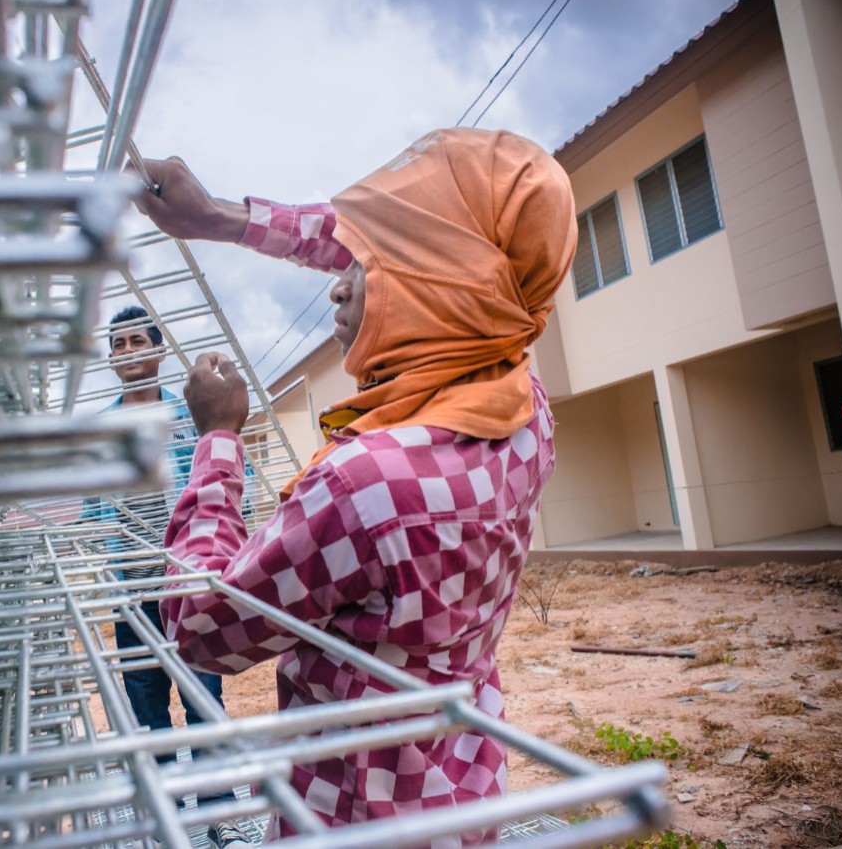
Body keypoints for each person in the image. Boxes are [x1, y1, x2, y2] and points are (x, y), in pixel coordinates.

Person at [136, 128, 577, 843]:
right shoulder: (526, 411)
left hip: (347, 817)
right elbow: (386, 244)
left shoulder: (364, 487)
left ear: (442, 283)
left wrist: (217, 440)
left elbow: (199, 628)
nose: (338, 282)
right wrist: (219, 216)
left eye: (375, 263)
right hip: (463, 796)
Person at [83, 306, 249, 848]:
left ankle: (220, 816)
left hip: (186, 586)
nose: (128, 351)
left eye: (138, 341)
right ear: (111, 359)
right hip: (130, 593)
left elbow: (228, 474)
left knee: (203, 699)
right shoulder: (102, 431)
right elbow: (90, 509)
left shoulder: (190, 416)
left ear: (158, 349)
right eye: (119, 344)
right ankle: (166, 819)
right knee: (147, 707)